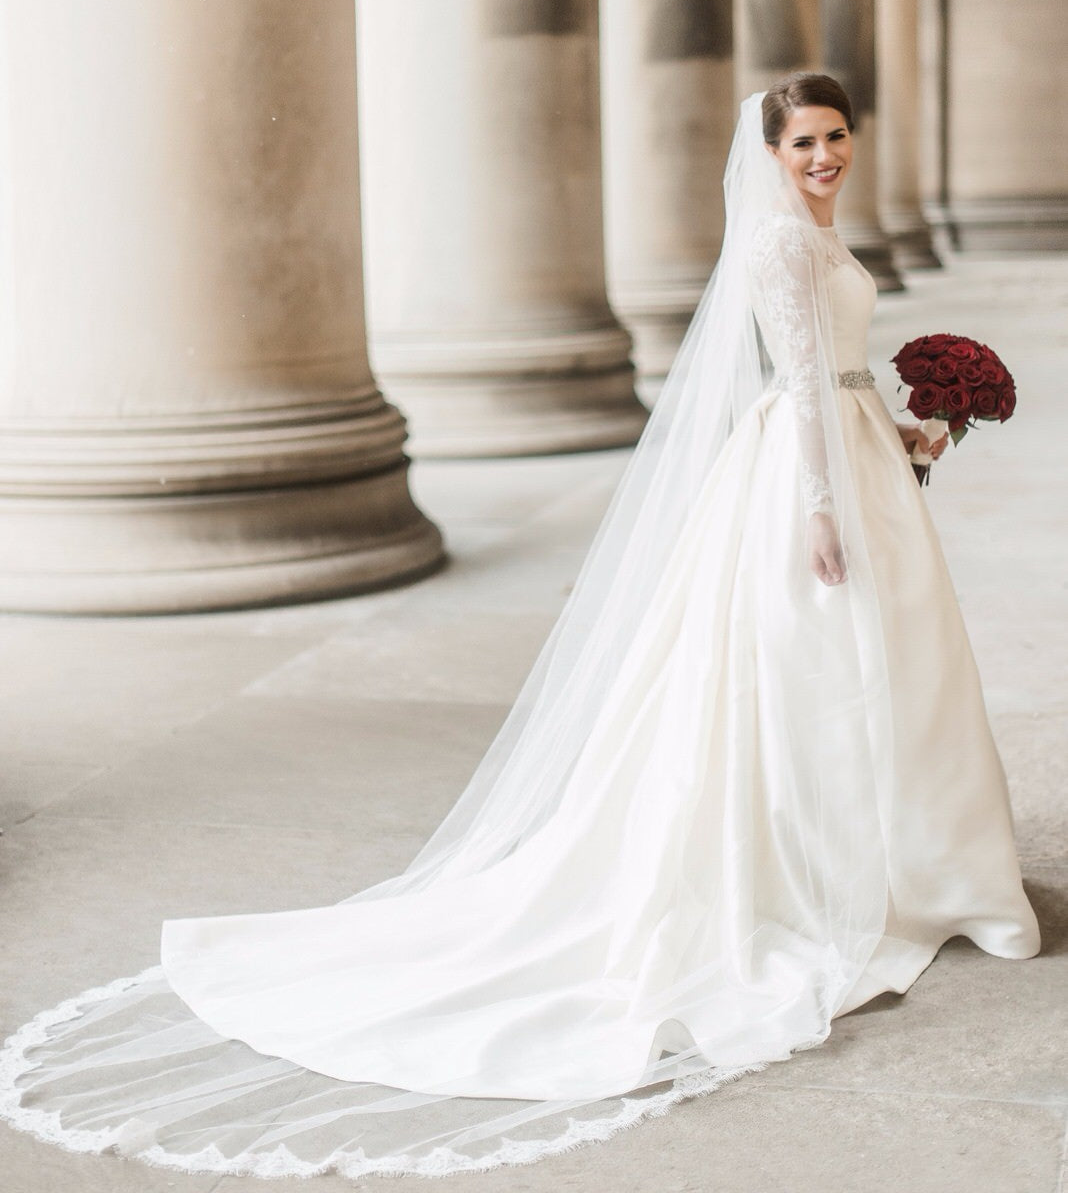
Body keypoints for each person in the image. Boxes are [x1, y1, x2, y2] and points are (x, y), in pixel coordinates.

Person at [0, 78, 1039, 1181]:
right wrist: (823, 509)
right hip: (804, 472)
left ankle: (901, 856)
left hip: (856, 442)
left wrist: (916, 434)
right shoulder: (781, 249)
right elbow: (795, 383)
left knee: (882, 668)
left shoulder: (823, 237)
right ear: (771, 152)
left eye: (836, 139)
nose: (824, 157)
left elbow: (839, 375)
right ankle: (836, 867)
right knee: (808, 667)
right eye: (805, 144)